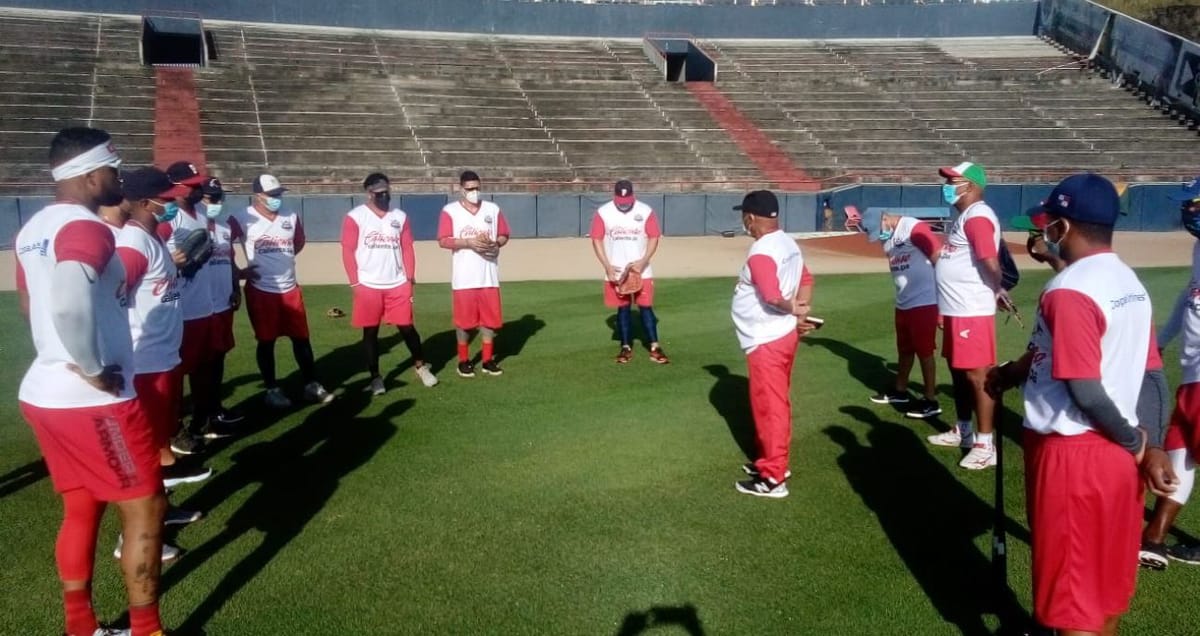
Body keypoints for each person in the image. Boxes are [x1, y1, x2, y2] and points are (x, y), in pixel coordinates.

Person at [986, 173, 1175, 636]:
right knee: (1100, 598)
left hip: (1077, 459)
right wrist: (1150, 447)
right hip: (1116, 461)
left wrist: (1135, 442)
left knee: (1073, 610)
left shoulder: (1069, 290)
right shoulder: (1128, 281)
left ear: (1063, 227)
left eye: (1050, 221)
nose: (1044, 229)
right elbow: (1152, 374)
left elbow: (1084, 388)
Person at [15, 127, 167, 636]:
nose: (118, 177)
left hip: (43, 393)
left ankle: (80, 625)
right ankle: (147, 629)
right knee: (145, 507)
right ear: (87, 174)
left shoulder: (32, 227)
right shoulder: (87, 227)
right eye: (112, 168)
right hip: (91, 400)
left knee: (81, 506)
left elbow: (30, 305)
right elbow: (64, 299)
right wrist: (93, 365)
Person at [116, 167, 210, 558]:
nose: (171, 203)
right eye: (164, 199)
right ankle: (132, 539)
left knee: (159, 446)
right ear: (143, 203)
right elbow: (112, 295)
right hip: (146, 364)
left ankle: (162, 513)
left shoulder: (152, 238)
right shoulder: (134, 243)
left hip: (164, 358)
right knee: (145, 453)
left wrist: (181, 266)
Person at [730, 190, 814, 499]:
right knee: (775, 403)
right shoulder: (787, 243)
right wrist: (802, 312)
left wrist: (795, 309)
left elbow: (771, 295)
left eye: (745, 217)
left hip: (766, 338)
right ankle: (772, 461)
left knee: (770, 408)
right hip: (781, 335)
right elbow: (806, 279)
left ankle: (773, 478)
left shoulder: (762, 250)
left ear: (750, 218)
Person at [928, 162, 1008, 469]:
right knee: (959, 372)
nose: (947, 185)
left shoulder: (977, 217)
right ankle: (963, 430)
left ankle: (985, 444)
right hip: (955, 310)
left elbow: (989, 259)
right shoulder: (965, 216)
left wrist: (998, 289)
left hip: (970, 311)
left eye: (953, 180)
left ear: (971, 185)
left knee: (978, 376)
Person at [229, 174, 334, 407]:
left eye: (279, 194)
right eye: (272, 195)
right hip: (261, 290)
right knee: (266, 342)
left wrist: (281, 259)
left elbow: (298, 242)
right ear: (257, 195)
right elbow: (223, 244)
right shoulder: (241, 217)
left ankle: (311, 384)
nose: (277, 199)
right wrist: (237, 271)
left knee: (302, 339)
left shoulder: (291, 216)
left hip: (290, 288)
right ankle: (272, 389)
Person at [1139, 178, 1200, 569]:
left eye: (1193, 206)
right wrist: (1160, 339)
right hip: (1192, 373)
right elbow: (1189, 294)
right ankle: (1155, 538)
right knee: (1180, 449)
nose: (1186, 213)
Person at [341, 172, 438, 394]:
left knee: (407, 327)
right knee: (370, 332)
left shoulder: (400, 217)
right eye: (379, 193)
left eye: (387, 192)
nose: (384, 196)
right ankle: (375, 377)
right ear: (369, 193)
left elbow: (406, 248)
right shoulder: (355, 217)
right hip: (368, 284)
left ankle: (421, 366)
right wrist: (355, 283)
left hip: (397, 283)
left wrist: (409, 279)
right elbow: (347, 250)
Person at [160, 160, 225, 453]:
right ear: (174, 186)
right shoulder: (166, 218)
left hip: (204, 306)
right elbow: (156, 264)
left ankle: (203, 421)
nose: (199, 188)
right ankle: (174, 431)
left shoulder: (199, 213)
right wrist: (173, 264)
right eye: (192, 184)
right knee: (176, 375)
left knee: (205, 370)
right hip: (180, 309)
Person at [867, 212, 942, 419]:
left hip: (925, 301)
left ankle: (930, 400)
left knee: (925, 352)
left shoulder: (913, 227)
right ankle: (900, 391)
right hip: (904, 302)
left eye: (878, 231)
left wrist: (943, 302)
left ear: (884, 219)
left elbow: (938, 257)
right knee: (905, 349)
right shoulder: (887, 241)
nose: (879, 237)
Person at [437, 170, 510, 378]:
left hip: (488, 274)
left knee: (489, 321)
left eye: (477, 188)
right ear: (461, 189)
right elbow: (443, 240)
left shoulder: (492, 209)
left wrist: (496, 244)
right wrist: (468, 242)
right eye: (470, 189)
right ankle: (464, 360)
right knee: (464, 323)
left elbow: (504, 234)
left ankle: (487, 360)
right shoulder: (450, 211)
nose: (474, 192)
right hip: (464, 277)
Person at [589, 179, 669, 364]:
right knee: (623, 309)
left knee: (646, 308)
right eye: (621, 202)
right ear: (614, 196)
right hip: (616, 270)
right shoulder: (604, 212)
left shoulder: (645, 211)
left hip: (642, 270)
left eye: (627, 201)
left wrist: (643, 261)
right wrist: (607, 266)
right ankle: (625, 347)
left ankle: (655, 346)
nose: (624, 205)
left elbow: (654, 237)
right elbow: (596, 239)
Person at [200, 176, 246, 427]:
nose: (215, 202)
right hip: (198, 309)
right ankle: (198, 417)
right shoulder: (189, 226)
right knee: (197, 365)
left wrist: (236, 288)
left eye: (219, 198)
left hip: (223, 305)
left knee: (218, 360)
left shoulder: (225, 229)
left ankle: (215, 409)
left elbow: (229, 262)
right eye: (210, 197)